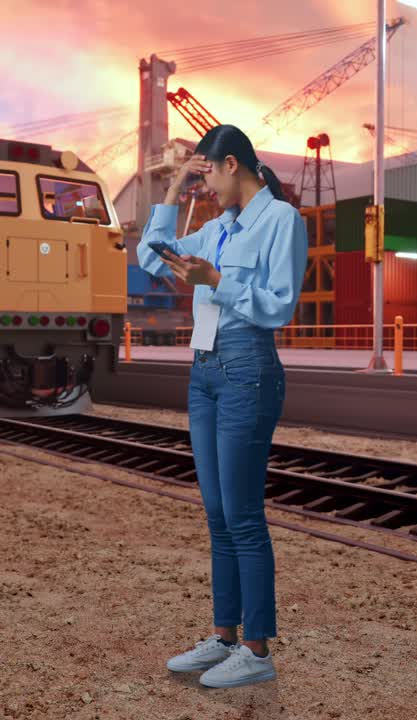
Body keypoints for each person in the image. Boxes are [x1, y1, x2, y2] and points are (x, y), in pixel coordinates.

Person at [135, 124, 307, 689]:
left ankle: (256, 650)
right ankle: (224, 637)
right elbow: (150, 256)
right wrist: (172, 188)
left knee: (243, 515)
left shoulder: (280, 220)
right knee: (217, 514)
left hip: (247, 368)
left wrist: (216, 281)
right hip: (205, 370)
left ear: (232, 164)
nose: (207, 189)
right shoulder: (216, 229)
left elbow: (281, 305)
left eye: (208, 176)